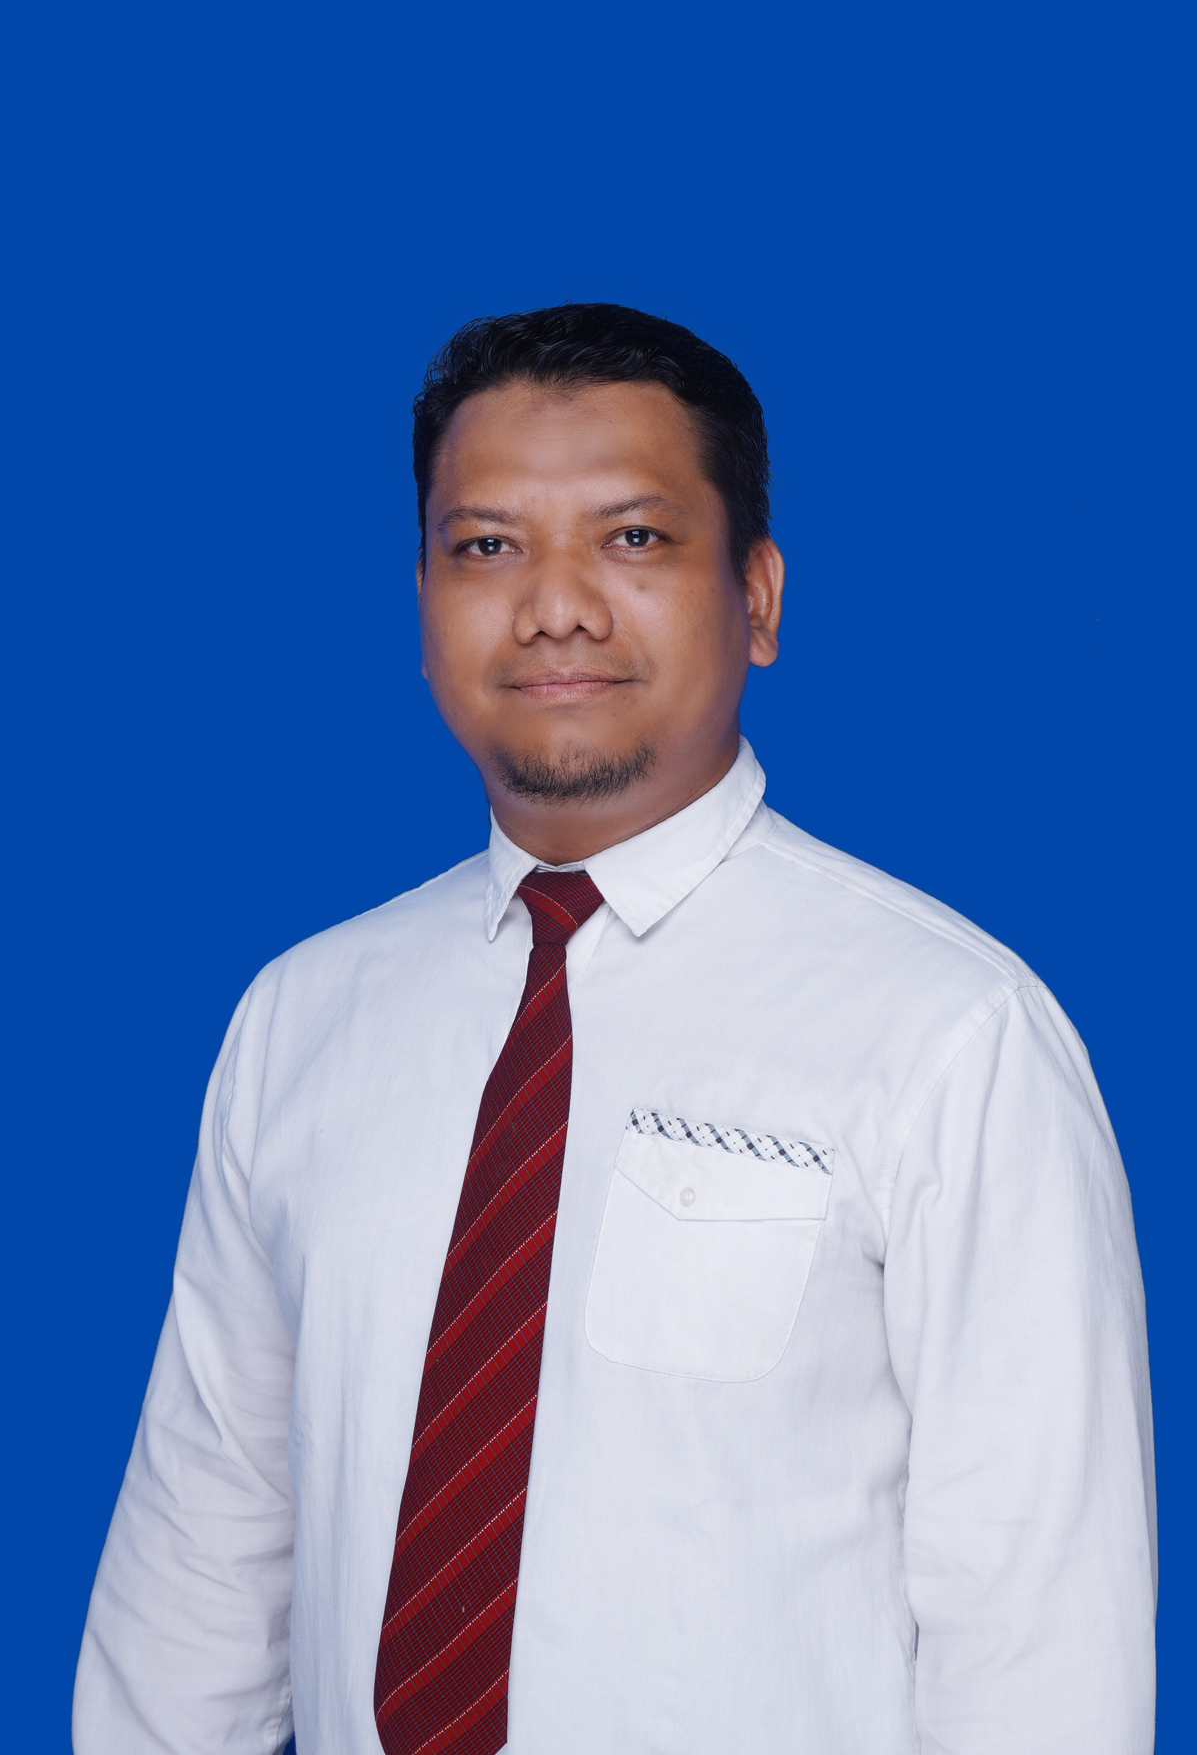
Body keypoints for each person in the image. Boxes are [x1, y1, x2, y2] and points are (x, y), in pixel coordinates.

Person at [73, 303, 1156, 1755]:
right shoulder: (303, 1019)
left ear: (758, 597)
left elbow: (1038, 1634)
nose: (555, 607)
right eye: (486, 546)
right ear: (421, 601)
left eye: (633, 538)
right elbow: (201, 1564)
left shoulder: (952, 1034)